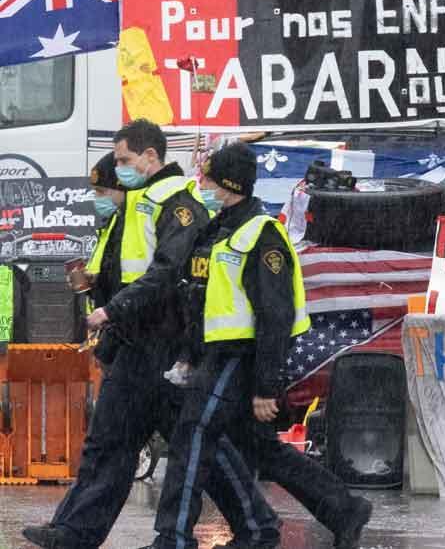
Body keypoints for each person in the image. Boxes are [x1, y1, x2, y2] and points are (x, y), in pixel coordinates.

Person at [24, 123, 277, 549]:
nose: (119, 168)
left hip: (168, 341)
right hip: (136, 341)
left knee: (195, 446)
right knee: (113, 438)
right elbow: (128, 272)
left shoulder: (178, 202)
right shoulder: (138, 202)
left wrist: (112, 309)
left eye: (124, 160)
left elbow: (168, 271)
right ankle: (75, 531)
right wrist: (98, 291)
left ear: (150, 157)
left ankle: (257, 526)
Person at [143, 142, 372, 549]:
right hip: (216, 355)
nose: (202, 184)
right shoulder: (217, 229)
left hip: (241, 355)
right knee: (259, 450)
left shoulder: (262, 235)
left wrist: (268, 386)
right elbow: (200, 300)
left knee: (193, 433)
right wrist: (188, 357)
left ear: (230, 184)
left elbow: (275, 315)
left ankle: (173, 538)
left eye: (209, 178)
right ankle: (334, 510)